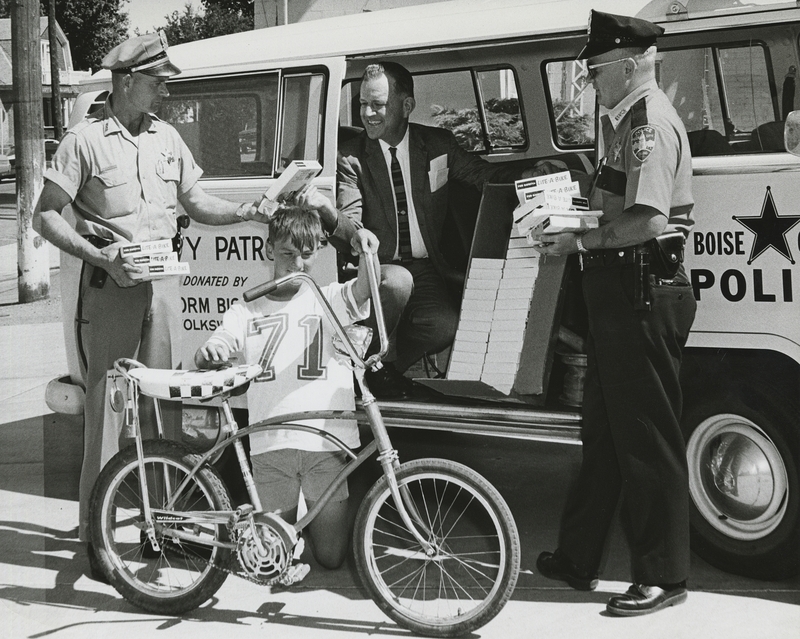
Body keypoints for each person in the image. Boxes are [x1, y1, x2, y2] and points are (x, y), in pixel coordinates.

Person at [33, 31, 269, 581]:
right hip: (111, 290)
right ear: (127, 80)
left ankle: (156, 532)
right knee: (108, 416)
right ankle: (98, 538)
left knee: (161, 411)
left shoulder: (168, 139)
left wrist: (248, 210)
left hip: (162, 291)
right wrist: (102, 257)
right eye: (158, 82)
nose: (166, 92)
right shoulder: (84, 141)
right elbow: (45, 216)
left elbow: (197, 201)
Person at [532, 11, 697, 616]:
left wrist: (579, 240)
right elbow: (609, 206)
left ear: (629, 64)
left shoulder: (647, 122)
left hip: (643, 289)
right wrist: (565, 213)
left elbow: (649, 219)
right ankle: (579, 557)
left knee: (647, 437)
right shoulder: (625, 121)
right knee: (603, 433)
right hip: (622, 291)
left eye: (595, 70)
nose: (589, 80)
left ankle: (664, 575)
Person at [320, 61, 554, 399]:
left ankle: (383, 369)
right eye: (362, 104)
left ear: (406, 106)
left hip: (428, 266)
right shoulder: (351, 157)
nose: (367, 114)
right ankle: (373, 368)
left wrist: (530, 175)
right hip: (379, 270)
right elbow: (350, 222)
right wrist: (333, 217)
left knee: (444, 325)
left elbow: (481, 175)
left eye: (377, 104)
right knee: (397, 281)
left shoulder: (438, 144)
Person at [195, 204, 379, 575]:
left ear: (318, 253)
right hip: (271, 446)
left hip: (326, 445)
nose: (297, 264)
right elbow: (217, 343)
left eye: (307, 255)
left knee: (330, 558)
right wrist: (210, 350)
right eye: (287, 254)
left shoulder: (328, 296)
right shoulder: (245, 308)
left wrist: (365, 247)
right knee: (269, 563)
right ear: (268, 252)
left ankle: (308, 521)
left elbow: (366, 288)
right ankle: (259, 526)